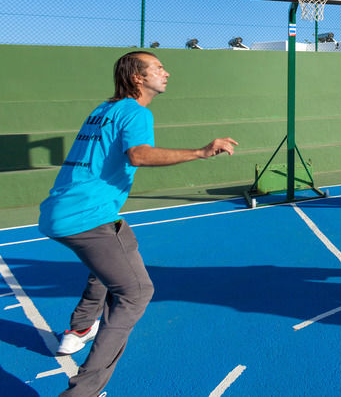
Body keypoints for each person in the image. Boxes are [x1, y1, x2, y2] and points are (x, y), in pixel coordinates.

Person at [38, 51, 238, 397]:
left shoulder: (104, 110)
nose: (167, 73)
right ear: (137, 78)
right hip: (88, 217)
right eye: (158, 68)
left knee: (118, 252)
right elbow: (138, 155)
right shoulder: (136, 113)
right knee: (136, 292)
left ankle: (81, 327)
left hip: (62, 211)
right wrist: (201, 152)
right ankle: (82, 392)